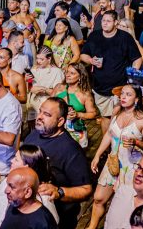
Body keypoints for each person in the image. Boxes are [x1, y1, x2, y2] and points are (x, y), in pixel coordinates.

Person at [87, 84, 143, 229]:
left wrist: (136, 142)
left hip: (130, 167)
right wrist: (97, 155)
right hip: (113, 161)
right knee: (98, 198)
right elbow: (109, 134)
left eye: (128, 94)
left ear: (137, 99)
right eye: (122, 94)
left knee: (124, 204)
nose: (123, 97)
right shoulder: (117, 112)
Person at [23, 98, 93, 229]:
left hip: (59, 219)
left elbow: (86, 189)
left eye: (47, 115)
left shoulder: (71, 150)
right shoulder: (33, 135)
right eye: (40, 112)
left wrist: (59, 192)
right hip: (31, 213)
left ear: (60, 121)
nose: (39, 117)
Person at [80, 10, 142, 132]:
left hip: (120, 87)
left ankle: (120, 147)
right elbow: (83, 55)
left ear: (115, 22)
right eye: (103, 20)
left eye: (108, 21)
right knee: (105, 118)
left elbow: (137, 58)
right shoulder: (94, 36)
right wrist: (91, 60)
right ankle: (107, 149)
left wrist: (132, 80)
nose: (105, 23)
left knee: (121, 116)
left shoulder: (125, 37)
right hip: (100, 87)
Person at [0, 145, 59, 227]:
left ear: (26, 167)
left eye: (16, 160)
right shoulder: (9, 180)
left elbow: (50, 222)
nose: (11, 161)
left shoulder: (43, 197)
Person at [51, 62, 97, 148]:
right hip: (56, 129)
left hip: (76, 132)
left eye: (72, 73)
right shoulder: (58, 87)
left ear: (80, 76)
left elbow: (93, 113)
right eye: (67, 72)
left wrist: (78, 114)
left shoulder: (85, 94)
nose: (68, 75)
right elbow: (49, 103)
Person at [26, 46, 65, 129]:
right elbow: (28, 86)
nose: (38, 61)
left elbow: (59, 93)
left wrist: (44, 89)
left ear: (49, 59)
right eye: (37, 58)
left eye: (41, 59)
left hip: (46, 103)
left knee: (44, 127)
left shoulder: (57, 72)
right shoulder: (34, 69)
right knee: (32, 126)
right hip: (32, 103)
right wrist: (26, 81)